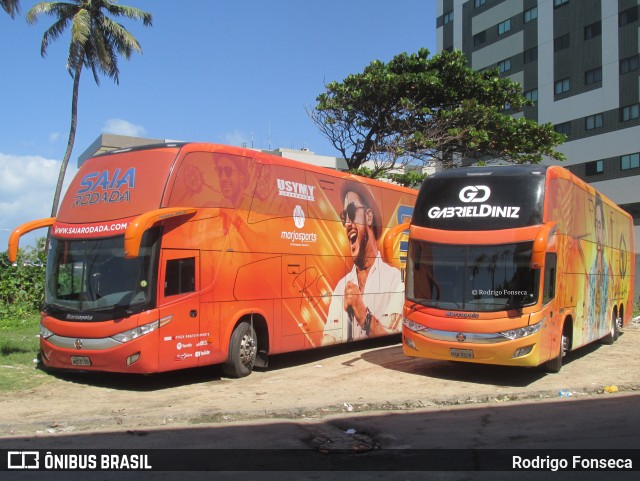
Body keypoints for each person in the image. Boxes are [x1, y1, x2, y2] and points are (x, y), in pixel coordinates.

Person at [322, 182, 404, 345]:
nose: (347, 223)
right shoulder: (341, 287)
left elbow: (394, 339)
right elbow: (330, 337)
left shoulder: (395, 280)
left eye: (351, 212)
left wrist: (362, 313)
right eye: (344, 216)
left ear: (368, 216)